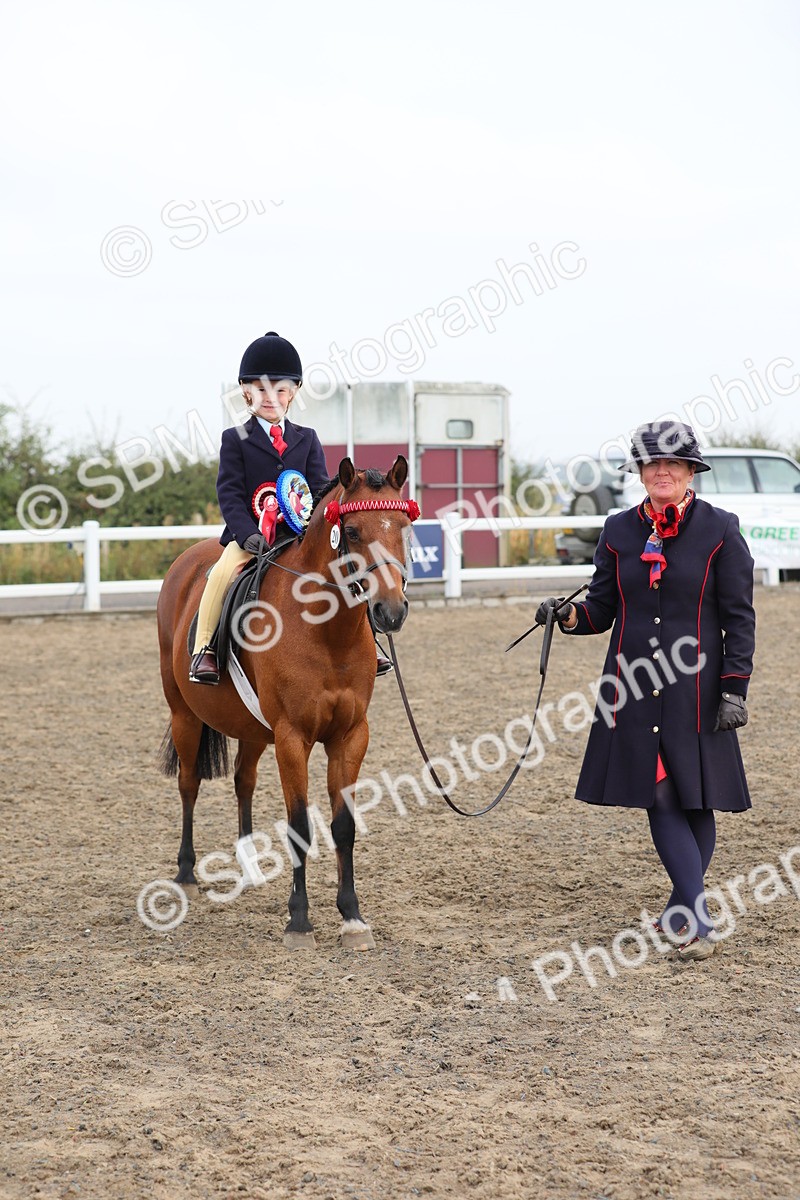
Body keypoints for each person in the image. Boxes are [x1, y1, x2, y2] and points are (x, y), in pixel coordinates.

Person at [537, 421, 755, 962]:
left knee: (692, 796)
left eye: (673, 464)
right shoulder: (617, 530)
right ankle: (694, 916)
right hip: (631, 684)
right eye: (652, 464)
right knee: (659, 792)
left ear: (689, 473)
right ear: (639, 472)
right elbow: (603, 610)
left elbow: (739, 619)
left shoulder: (722, 531)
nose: (662, 471)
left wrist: (734, 688)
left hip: (697, 685)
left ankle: (687, 914)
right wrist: (567, 617)